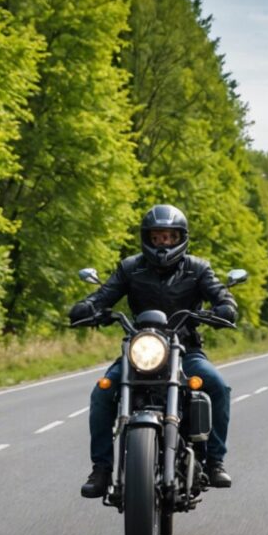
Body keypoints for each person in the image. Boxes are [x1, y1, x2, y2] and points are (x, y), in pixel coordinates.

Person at [69, 204, 238, 498]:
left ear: (180, 238)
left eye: (170, 237)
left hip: (185, 351)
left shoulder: (198, 269)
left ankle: (214, 461)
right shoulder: (130, 268)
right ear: (147, 238)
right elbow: (104, 294)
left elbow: (221, 295)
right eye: (158, 237)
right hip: (141, 350)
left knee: (218, 387)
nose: (164, 243)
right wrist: (89, 307)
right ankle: (102, 468)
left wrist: (225, 308)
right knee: (102, 393)